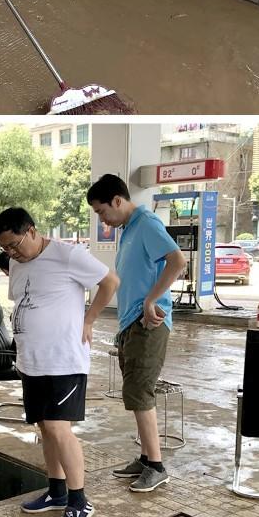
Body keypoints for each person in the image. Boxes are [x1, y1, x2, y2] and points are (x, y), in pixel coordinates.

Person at [0, 207, 120, 517]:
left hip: (63, 359)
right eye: (5, 248)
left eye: (15, 244)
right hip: (32, 361)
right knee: (43, 428)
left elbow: (110, 282)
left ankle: (80, 501)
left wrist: (89, 319)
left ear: (32, 230)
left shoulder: (68, 255)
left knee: (58, 427)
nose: (11, 252)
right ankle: (56, 491)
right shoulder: (18, 264)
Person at [86, 174, 187, 493]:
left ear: (117, 200)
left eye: (102, 211)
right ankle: (145, 458)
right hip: (131, 323)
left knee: (140, 393)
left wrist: (152, 300)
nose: (102, 219)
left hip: (150, 323)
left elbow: (177, 261)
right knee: (134, 392)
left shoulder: (146, 223)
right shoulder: (129, 229)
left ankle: (157, 466)